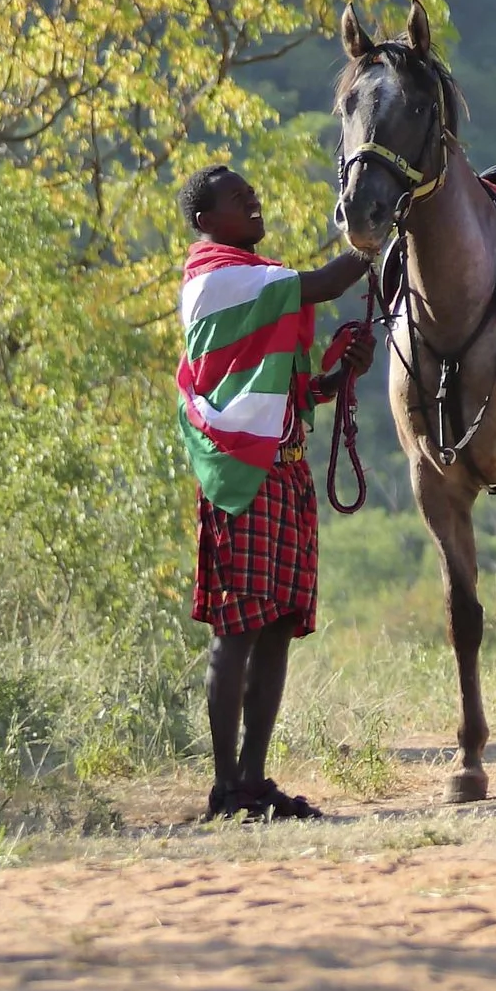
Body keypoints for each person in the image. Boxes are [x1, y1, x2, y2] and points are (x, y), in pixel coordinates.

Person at [176, 160, 373, 821]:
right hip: (244, 472)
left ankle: (253, 781)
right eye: (239, 198)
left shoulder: (254, 284)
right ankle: (225, 784)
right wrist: (376, 235)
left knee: (277, 626)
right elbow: (324, 280)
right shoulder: (216, 275)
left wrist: (331, 378)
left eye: (253, 193)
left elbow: (284, 391)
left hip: (282, 467)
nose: (253, 202)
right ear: (206, 220)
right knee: (238, 628)